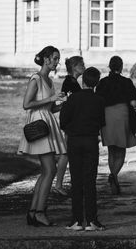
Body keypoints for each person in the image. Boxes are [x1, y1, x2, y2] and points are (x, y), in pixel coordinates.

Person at [17, 45, 67, 227]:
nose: (57, 62)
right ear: (46, 59)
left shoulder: (49, 80)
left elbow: (51, 108)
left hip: (47, 121)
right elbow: (26, 104)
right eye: (54, 58)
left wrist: (62, 103)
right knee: (50, 170)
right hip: (39, 125)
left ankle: (34, 212)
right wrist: (50, 99)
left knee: (47, 170)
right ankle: (38, 212)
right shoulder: (36, 78)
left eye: (57, 59)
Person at [60, 66, 106, 231]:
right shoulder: (100, 100)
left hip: (74, 140)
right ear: (96, 83)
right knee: (90, 180)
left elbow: (63, 121)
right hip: (91, 140)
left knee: (76, 180)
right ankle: (92, 220)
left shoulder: (72, 99)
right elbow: (101, 121)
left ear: (83, 80)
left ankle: (77, 220)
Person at [95, 56, 136, 196]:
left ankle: (113, 175)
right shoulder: (126, 82)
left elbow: (98, 100)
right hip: (122, 115)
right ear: (121, 67)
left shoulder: (103, 82)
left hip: (107, 115)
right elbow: (134, 103)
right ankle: (113, 175)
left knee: (112, 149)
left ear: (109, 66)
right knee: (121, 149)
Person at [53, 56, 86, 198]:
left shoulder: (72, 82)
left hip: (71, 121)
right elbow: (71, 103)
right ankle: (59, 184)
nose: (84, 66)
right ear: (75, 67)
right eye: (82, 64)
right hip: (72, 122)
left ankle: (61, 183)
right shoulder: (70, 82)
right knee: (66, 153)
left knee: (67, 153)